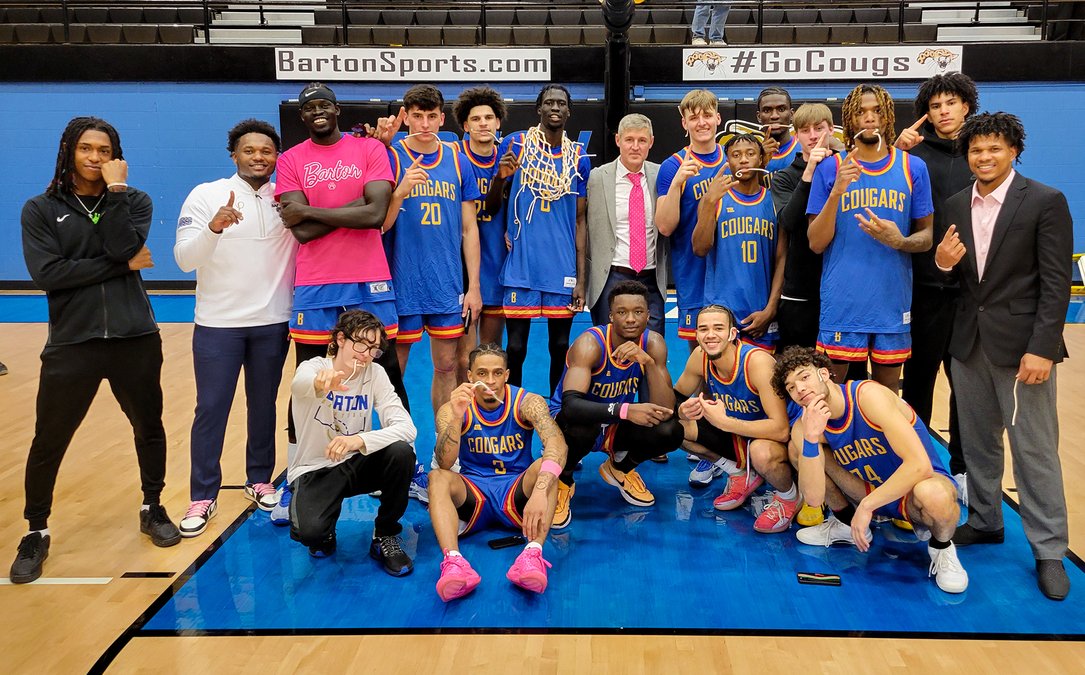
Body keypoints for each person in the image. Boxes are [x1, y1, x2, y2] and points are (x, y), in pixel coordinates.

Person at [11, 117, 179, 584]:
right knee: (49, 440)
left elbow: (124, 244)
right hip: (72, 342)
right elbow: (49, 274)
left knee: (148, 427)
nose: (95, 157)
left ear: (115, 157)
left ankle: (152, 506)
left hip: (135, 337)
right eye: (86, 148)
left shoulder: (134, 200)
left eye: (104, 151)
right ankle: (36, 530)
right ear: (69, 151)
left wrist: (117, 192)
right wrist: (122, 266)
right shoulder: (41, 209)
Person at [936, 112, 1073, 601]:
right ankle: (986, 520)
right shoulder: (956, 203)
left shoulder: (1045, 201)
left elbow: (1057, 283)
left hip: (1023, 350)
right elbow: (958, 278)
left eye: (994, 148)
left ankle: (1049, 549)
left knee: (1034, 450)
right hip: (968, 344)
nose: (984, 157)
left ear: (1014, 151)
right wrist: (943, 265)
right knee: (978, 445)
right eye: (976, 149)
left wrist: (1041, 348)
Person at [273, 82, 414, 523]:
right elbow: (300, 233)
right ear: (302, 116)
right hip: (316, 282)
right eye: (309, 107)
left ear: (336, 110)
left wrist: (311, 210)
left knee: (387, 372)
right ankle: (297, 476)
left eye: (324, 105)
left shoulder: (369, 149)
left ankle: (404, 464)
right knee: (308, 380)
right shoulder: (290, 160)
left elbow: (375, 215)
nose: (317, 111)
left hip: (369, 278)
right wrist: (356, 207)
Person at [173, 119, 298, 536]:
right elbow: (184, 260)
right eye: (249, 150)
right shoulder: (206, 195)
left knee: (263, 405)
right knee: (211, 408)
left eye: (266, 151)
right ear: (234, 155)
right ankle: (202, 495)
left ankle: (259, 479)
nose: (258, 157)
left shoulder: (288, 198)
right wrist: (214, 228)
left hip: (273, 322)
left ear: (276, 156)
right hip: (218, 324)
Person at [772, 347, 968, 595]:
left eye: (804, 377)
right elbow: (813, 498)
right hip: (868, 490)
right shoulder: (805, 425)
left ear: (824, 373)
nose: (799, 389)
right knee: (798, 449)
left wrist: (866, 507)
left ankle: (942, 548)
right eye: (791, 387)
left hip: (913, 491)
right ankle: (846, 524)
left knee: (935, 495)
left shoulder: (867, 396)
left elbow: (920, 465)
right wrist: (810, 439)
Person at [807, 83, 934, 392]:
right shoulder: (830, 168)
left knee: (886, 396)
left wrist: (900, 241)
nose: (869, 117)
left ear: (887, 116)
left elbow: (927, 236)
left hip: (891, 302)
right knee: (830, 395)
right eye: (861, 112)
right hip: (842, 302)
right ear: (849, 119)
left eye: (877, 110)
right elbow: (816, 243)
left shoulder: (913, 167)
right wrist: (836, 193)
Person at [429, 343, 568, 601]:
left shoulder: (528, 402)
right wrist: (457, 417)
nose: (490, 381)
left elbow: (557, 444)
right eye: (482, 373)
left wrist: (539, 492)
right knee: (436, 478)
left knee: (547, 467)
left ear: (507, 375)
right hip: (474, 495)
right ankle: (454, 562)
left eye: (497, 373)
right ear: (470, 375)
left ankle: (533, 554)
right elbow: (445, 463)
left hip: (515, 492)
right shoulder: (453, 406)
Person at [896, 73, 979, 496]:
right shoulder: (913, 154)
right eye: (935, 106)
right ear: (926, 114)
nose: (943, 111)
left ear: (966, 105)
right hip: (924, 286)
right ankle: (920, 462)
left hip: (971, 291)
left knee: (966, 383)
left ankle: (963, 468)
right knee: (918, 381)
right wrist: (897, 152)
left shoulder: (981, 151)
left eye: (950, 103)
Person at [288, 310, 417, 575]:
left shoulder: (375, 374)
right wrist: (319, 383)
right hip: (315, 468)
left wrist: (358, 440)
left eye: (373, 348)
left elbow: (407, 428)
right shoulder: (313, 368)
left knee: (402, 453)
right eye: (360, 344)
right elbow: (299, 385)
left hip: (356, 463)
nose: (366, 354)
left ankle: (385, 534)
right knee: (311, 535)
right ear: (340, 339)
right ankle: (326, 528)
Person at [382, 84, 482, 421]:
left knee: (447, 365)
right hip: (402, 280)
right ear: (406, 117)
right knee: (394, 368)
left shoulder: (457, 159)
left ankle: (445, 440)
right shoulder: (391, 157)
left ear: (441, 118)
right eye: (417, 116)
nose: (424, 124)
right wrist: (399, 192)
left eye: (431, 116)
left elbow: (469, 229)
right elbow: (379, 224)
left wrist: (474, 287)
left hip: (446, 281)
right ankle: (397, 441)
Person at [549, 281, 681, 527]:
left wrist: (649, 364)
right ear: (611, 316)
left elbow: (666, 411)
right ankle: (563, 480)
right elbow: (571, 407)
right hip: (572, 423)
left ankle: (620, 467)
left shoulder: (653, 343)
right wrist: (626, 410)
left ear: (648, 315)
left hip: (614, 422)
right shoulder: (590, 344)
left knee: (670, 431)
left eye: (638, 312)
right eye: (622, 312)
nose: (630, 319)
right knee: (583, 426)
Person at [486, 84, 591, 392]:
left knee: (560, 346)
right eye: (549, 102)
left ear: (568, 111)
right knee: (516, 347)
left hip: (561, 265)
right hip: (523, 263)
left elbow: (580, 219)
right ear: (539, 109)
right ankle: (514, 408)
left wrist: (581, 279)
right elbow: (492, 207)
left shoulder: (578, 157)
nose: (555, 107)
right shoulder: (517, 144)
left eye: (561, 103)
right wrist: (500, 179)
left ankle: (557, 410)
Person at [674, 306, 798, 533]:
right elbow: (674, 398)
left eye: (718, 328)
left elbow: (781, 430)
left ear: (732, 334)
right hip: (738, 435)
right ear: (697, 334)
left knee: (761, 453)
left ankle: (789, 496)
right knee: (673, 428)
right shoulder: (700, 357)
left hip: (776, 443)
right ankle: (740, 474)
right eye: (704, 329)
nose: (710, 335)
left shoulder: (757, 363)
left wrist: (724, 422)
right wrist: (681, 410)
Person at [694, 133, 785, 351]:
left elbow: (782, 259)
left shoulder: (774, 200)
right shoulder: (715, 200)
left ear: (761, 159)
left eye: (750, 153)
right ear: (728, 161)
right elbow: (699, 248)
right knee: (720, 371)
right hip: (720, 313)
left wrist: (771, 308)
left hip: (760, 312)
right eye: (736, 155)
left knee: (762, 371)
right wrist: (709, 201)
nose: (743, 160)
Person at [656, 89, 727, 346]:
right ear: (684, 123)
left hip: (731, 272)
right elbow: (664, 227)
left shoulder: (732, 159)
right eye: (694, 118)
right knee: (700, 353)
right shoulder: (673, 166)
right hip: (694, 274)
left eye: (707, 115)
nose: (702, 123)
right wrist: (677, 183)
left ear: (718, 118)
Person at [586, 113, 667, 336]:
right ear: (618, 140)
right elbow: (577, 222)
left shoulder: (662, 175)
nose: (635, 146)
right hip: (611, 276)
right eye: (629, 139)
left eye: (642, 140)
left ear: (651, 142)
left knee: (653, 347)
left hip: (651, 277)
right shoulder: (596, 178)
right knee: (609, 347)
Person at [452, 86, 509, 377]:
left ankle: (488, 407)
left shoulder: (509, 159)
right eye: (476, 119)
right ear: (465, 125)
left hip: (497, 265)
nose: (483, 123)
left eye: (488, 118)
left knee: (490, 354)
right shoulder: (453, 158)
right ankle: (460, 407)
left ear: (498, 122)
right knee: (463, 359)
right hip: (461, 268)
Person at [771, 103, 836, 353]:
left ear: (831, 130)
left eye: (819, 128)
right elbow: (787, 222)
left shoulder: (844, 168)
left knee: (842, 368)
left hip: (838, 286)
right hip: (799, 290)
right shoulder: (784, 177)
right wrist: (809, 172)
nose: (813, 136)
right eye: (805, 130)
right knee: (796, 365)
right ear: (796, 135)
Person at [756, 87, 801, 175]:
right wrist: (760, 163)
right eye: (767, 110)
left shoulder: (805, 150)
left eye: (781, 109)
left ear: (792, 114)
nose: (774, 116)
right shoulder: (748, 157)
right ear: (759, 116)